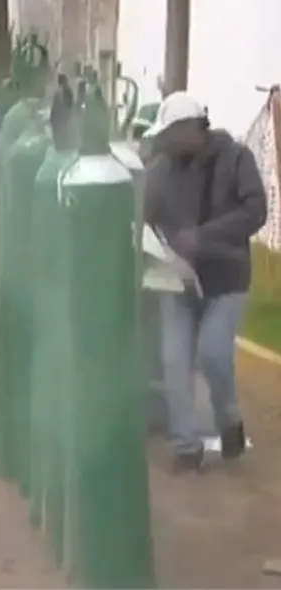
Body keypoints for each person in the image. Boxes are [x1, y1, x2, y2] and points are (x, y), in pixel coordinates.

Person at [143, 91, 266, 471]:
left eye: (172, 134)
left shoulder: (237, 158)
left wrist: (203, 236)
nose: (167, 142)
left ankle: (228, 420)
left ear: (192, 128)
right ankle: (187, 448)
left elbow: (256, 210)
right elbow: (145, 214)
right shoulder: (161, 169)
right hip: (178, 278)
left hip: (226, 277)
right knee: (174, 360)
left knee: (213, 353)